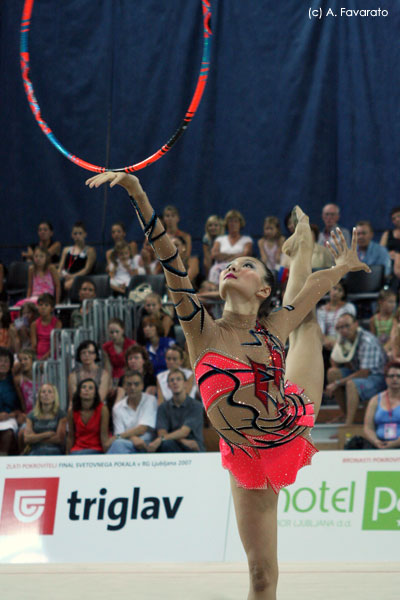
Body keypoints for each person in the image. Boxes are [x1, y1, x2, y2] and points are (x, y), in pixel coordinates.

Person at [87, 171, 369, 600]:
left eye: (248, 264)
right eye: (230, 264)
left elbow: (313, 289)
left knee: (306, 326)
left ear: (262, 290)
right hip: (249, 456)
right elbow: (170, 260)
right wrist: (138, 193)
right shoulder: (201, 330)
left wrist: (342, 266)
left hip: (293, 416)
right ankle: (301, 247)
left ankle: (302, 244)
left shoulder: (272, 325)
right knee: (261, 576)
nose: (234, 265)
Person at [326, 313, 387, 425]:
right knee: (332, 373)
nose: (343, 330)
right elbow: (334, 360)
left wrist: (337, 383)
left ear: (356, 324)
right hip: (360, 373)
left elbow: (364, 373)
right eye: (339, 328)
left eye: (346, 326)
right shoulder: (344, 339)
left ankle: (348, 425)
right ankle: (345, 414)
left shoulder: (367, 341)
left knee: (351, 384)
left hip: (377, 378)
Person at [148, 368, 204, 453]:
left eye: (178, 379)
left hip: (193, 447)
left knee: (165, 442)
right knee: (165, 444)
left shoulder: (196, 405)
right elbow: (161, 433)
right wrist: (182, 441)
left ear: (185, 383)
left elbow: (184, 432)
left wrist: (162, 438)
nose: (175, 382)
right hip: (172, 445)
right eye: (171, 380)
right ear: (168, 386)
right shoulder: (163, 407)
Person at [107, 371, 157, 454]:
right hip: (127, 442)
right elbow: (120, 435)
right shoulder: (117, 407)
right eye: (129, 384)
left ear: (142, 386)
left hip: (147, 444)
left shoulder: (150, 400)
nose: (132, 387)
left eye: (136, 384)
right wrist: (132, 438)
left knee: (118, 444)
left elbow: (142, 429)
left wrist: (118, 437)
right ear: (124, 387)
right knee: (118, 444)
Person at [208, 209, 253, 285]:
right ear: (227, 224)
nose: (233, 224)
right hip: (219, 270)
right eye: (230, 221)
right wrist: (235, 255)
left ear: (240, 224)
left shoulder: (247, 240)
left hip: (239, 269)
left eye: (236, 221)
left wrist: (224, 256)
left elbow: (245, 255)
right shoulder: (220, 239)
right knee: (214, 270)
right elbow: (214, 254)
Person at [362, 360, 400, 449]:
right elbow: (368, 427)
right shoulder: (375, 400)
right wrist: (375, 441)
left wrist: (394, 443)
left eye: (398, 376)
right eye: (391, 376)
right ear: (385, 378)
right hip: (379, 444)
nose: (395, 379)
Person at [67, 378, 110, 455]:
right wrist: (66, 458)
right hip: (77, 450)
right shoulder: (72, 411)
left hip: (97, 450)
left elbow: (104, 436)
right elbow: (70, 436)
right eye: (83, 387)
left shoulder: (103, 409)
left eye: (90, 388)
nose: (86, 390)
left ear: (95, 394)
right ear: (79, 392)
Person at [23, 383, 66, 455]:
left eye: (50, 392)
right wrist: (46, 434)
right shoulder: (31, 415)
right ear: (39, 396)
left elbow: (59, 439)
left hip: (54, 449)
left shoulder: (61, 415)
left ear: (54, 396)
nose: (46, 394)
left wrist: (35, 438)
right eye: (43, 392)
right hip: (35, 449)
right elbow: (27, 439)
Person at [317, 280, 356, 353]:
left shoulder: (348, 307)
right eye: (334, 288)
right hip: (326, 341)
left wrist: (337, 342)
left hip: (344, 340)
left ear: (344, 294)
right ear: (330, 289)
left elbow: (350, 329)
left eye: (340, 290)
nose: (336, 292)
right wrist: (325, 340)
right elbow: (320, 330)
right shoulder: (321, 310)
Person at [68, 340, 111, 404]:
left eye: (90, 352)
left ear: (96, 355)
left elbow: (101, 398)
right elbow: (74, 399)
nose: (87, 355)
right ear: (79, 355)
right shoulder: (73, 376)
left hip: (98, 408)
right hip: (79, 408)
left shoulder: (104, 374)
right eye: (83, 353)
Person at [58, 221, 96, 293]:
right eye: (75, 234)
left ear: (85, 234)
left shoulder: (90, 250)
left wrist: (72, 276)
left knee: (68, 285)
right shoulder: (66, 250)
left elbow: (87, 270)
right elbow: (60, 267)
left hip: (82, 278)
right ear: (72, 235)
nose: (77, 236)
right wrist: (59, 275)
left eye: (80, 233)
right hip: (66, 276)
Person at [0, 348, 21, 455]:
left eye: (6, 361)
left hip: (9, 418)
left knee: (7, 432)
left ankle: (2, 461)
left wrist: (11, 414)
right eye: (0, 360)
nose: (3, 364)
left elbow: (20, 407)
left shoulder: (14, 381)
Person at [102, 318, 136, 383]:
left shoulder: (132, 344)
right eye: (111, 332)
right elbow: (108, 367)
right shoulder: (106, 347)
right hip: (114, 377)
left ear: (122, 330)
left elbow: (135, 364)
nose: (114, 335)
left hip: (130, 374)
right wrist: (109, 382)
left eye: (117, 332)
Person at [30, 293, 62, 360]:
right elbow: (34, 345)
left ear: (52, 308)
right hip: (38, 357)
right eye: (40, 305)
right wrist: (36, 359)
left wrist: (43, 359)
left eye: (46, 305)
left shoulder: (57, 323)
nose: (43, 307)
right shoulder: (34, 324)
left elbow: (54, 346)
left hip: (53, 356)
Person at [369, 289, 397, 355]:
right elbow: (373, 339)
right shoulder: (373, 319)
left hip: (391, 349)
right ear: (380, 302)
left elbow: (393, 338)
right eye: (390, 302)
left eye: (394, 302)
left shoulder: (394, 319)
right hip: (378, 349)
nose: (393, 305)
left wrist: (383, 350)